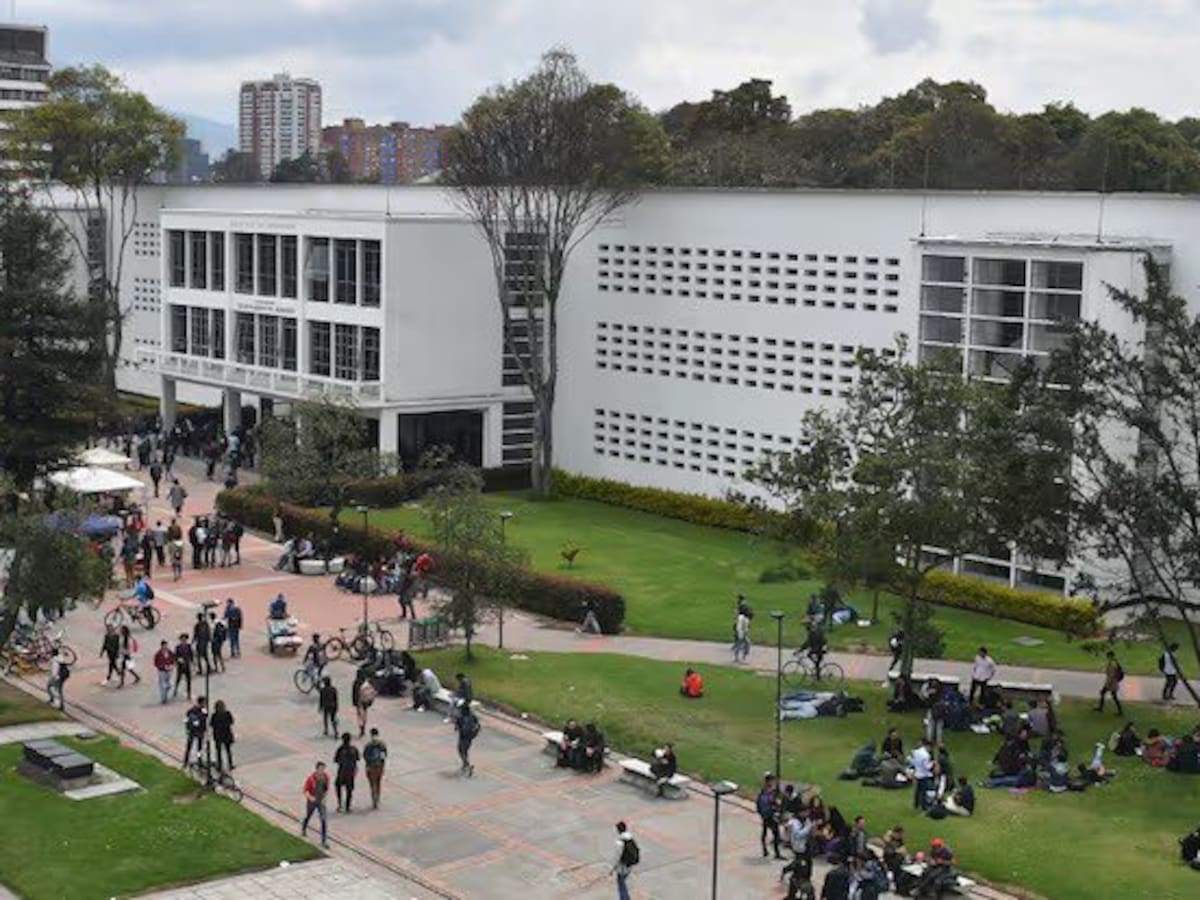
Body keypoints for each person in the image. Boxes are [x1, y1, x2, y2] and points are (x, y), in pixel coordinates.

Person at [301, 761, 331, 848]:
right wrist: (310, 797)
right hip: (312, 801)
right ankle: (304, 828)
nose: (322, 771)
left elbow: (326, 789)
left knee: (323, 820)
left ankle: (324, 840)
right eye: (320, 769)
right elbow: (305, 790)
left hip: (321, 801)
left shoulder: (326, 777)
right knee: (308, 815)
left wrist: (324, 798)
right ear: (317, 769)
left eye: (323, 769)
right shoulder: (311, 779)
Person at [757, 773, 785, 859]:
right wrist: (775, 804)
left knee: (765, 832)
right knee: (776, 834)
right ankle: (776, 853)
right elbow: (766, 802)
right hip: (769, 815)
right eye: (772, 780)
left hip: (767, 815)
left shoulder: (767, 790)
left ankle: (766, 850)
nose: (773, 782)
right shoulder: (767, 791)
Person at [610, 821, 638, 900]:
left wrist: (612, 869)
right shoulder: (630, 838)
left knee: (621, 884)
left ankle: (624, 898)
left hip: (623, 866)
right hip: (630, 864)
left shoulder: (620, 842)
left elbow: (617, 857)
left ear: (618, 830)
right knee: (623, 881)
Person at [333, 733, 360, 812]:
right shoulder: (354, 749)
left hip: (341, 772)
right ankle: (348, 806)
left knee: (337, 786)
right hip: (351, 772)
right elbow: (358, 758)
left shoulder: (340, 749)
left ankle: (340, 804)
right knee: (349, 789)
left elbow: (335, 760)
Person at [363, 728, 388, 809]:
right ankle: (377, 799)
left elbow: (365, 757)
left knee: (372, 784)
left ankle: (374, 801)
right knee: (378, 783)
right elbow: (384, 756)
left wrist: (367, 766)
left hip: (371, 767)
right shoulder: (382, 744)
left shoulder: (368, 745)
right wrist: (382, 766)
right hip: (379, 766)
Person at [908, 738, 935, 811]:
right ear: (928, 746)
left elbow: (911, 760)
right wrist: (932, 763)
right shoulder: (926, 755)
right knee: (923, 791)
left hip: (917, 773)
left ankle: (916, 804)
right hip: (923, 774)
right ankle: (924, 806)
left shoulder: (916, 752)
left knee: (917, 790)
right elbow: (927, 767)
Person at [1096, 650, 1125, 715]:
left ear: (1110, 656)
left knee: (1110, 695)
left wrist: (1107, 684)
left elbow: (1112, 675)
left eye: (1107, 656)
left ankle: (1101, 708)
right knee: (1109, 695)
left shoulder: (1113, 663)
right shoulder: (1113, 662)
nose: (1107, 657)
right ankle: (1101, 708)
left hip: (1112, 682)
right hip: (1112, 682)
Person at [455, 703, 480, 777]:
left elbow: (457, 727)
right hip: (470, 738)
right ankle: (464, 765)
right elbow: (477, 725)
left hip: (462, 737)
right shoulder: (473, 716)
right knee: (465, 751)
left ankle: (468, 766)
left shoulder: (460, 717)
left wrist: (457, 727)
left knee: (461, 751)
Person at [183, 696, 207, 767]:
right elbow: (204, 718)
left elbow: (187, 716)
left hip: (192, 730)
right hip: (198, 731)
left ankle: (186, 761)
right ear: (202, 702)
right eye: (204, 702)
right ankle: (199, 760)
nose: (205, 704)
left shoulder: (192, 709)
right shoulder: (202, 710)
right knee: (198, 748)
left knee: (190, 746)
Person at [211, 700, 235, 771]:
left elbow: (212, 724)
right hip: (226, 734)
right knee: (227, 751)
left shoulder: (215, 715)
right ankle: (229, 765)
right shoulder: (227, 714)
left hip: (219, 735)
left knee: (220, 751)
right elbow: (231, 721)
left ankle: (220, 765)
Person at [354, 672, 377, 738]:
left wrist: (355, 702)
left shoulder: (357, 683)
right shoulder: (367, 684)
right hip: (366, 701)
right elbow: (372, 692)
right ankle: (363, 727)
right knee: (364, 714)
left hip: (359, 702)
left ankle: (362, 729)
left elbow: (354, 693)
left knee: (360, 715)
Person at [46, 643, 68, 710]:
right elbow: (62, 652)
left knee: (52, 688)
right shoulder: (60, 657)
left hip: (58, 677)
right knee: (58, 690)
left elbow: (55, 672)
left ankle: (59, 704)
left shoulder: (55, 661)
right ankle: (55, 700)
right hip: (64, 676)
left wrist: (54, 678)